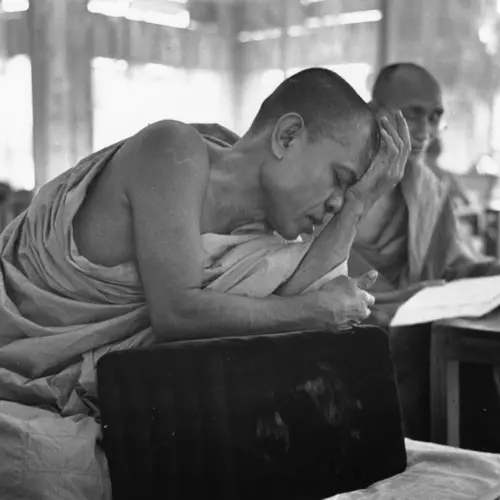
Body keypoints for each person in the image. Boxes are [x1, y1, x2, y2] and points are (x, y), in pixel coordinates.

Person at [348, 62, 500, 449]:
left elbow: (457, 265)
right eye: (412, 113)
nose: (425, 131)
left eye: (434, 117)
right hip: (354, 323)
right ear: (373, 110)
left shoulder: (431, 188)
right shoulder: (339, 172)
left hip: (415, 324)